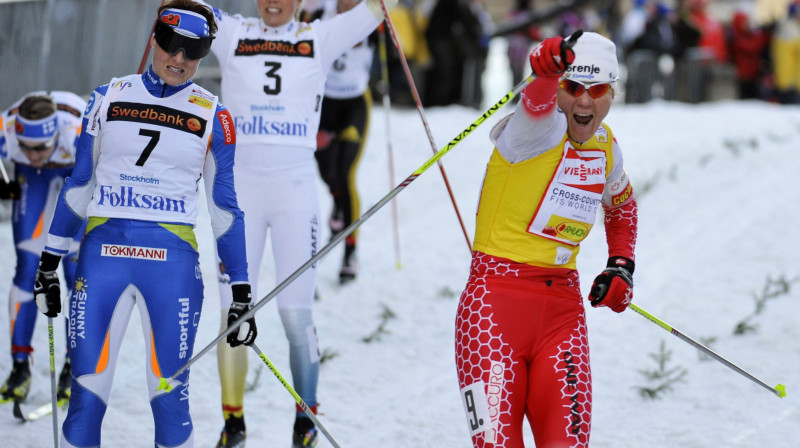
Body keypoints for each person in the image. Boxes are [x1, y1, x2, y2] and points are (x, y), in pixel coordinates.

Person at [32, 1, 256, 447]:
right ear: (154, 38)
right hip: (102, 261)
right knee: (83, 403)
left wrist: (242, 292)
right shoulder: (108, 96)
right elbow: (79, 185)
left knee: (171, 404)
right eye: (172, 46)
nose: (179, 60)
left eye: (193, 53)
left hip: (170, 268)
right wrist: (48, 263)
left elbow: (224, 211)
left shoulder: (215, 116)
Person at [196, 0, 395, 446]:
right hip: (239, 195)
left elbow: (382, 9)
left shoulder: (319, 37)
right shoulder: (232, 32)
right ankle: (233, 424)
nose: (273, 3)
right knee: (233, 315)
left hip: (294, 194)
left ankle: (305, 421)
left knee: (295, 314)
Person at [455, 30, 638, 448]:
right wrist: (543, 69)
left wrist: (620, 266)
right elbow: (536, 102)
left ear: (613, 91)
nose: (585, 102)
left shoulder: (606, 147)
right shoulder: (533, 129)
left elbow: (622, 207)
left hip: (562, 313)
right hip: (493, 311)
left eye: (598, 90)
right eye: (572, 87)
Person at [0, 91, 86, 405]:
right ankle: (20, 368)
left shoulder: (78, 133)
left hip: (75, 172)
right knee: (27, 269)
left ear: (54, 137)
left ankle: (72, 368)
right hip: (33, 181)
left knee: (78, 274)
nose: (33, 154)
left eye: (39, 148)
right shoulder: (7, 130)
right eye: (25, 147)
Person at [309, 0, 376, 284]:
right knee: (326, 171)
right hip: (323, 103)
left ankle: (350, 251)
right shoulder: (319, 12)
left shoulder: (371, 16)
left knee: (346, 174)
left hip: (354, 106)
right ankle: (336, 199)